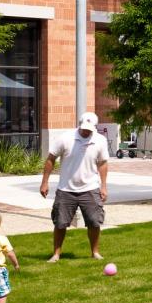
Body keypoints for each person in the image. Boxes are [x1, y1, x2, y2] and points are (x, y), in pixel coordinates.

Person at [39, 111, 110, 262]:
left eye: (89, 129)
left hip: (90, 188)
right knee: (60, 222)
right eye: (84, 128)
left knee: (94, 221)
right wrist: (45, 182)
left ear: (94, 128)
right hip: (66, 189)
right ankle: (56, 254)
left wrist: (103, 186)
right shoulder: (65, 138)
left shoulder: (100, 141)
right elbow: (51, 159)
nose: (86, 131)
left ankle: (95, 252)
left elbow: (103, 163)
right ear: (79, 124)